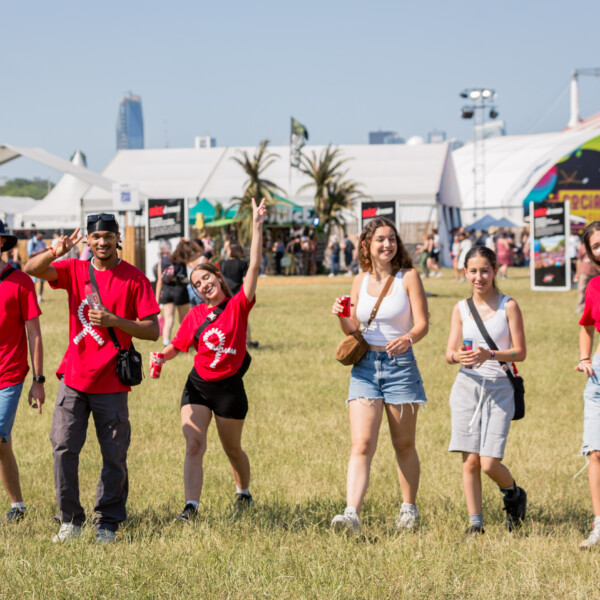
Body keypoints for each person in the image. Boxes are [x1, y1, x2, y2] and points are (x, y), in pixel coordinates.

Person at [24, 213, 160, 544]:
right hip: (74, 378)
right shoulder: (74, 271)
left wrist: (115, 320)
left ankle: (107, 521)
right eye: (96, 237)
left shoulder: (134, 278)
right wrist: (56, 251)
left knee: (114, 455)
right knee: (63, 447)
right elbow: (31, 269)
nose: (102, 242)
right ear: (88, 240)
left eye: (108, 236)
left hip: (112, 382)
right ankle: (70, 520)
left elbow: (153, 330)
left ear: (117, 239)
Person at [158, 198, 266, 522]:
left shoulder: (239, 305)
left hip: (230, 389)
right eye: (197, 284)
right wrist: (161, 357)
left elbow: (254, 268)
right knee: (194, 443)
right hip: (199, 387)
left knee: (233, 450)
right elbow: (177, 346)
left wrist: (258, 227)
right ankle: (191, 507)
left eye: (207, 279)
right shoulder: (194, 315)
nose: (204, 285)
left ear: (218, 278)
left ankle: (243, 493)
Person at [330, 217, 429, 535]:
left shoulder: (409, 277)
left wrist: (409, 338)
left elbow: (423, 323)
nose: (387, 245)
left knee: (404, 444)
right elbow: (353, 329)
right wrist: (342, 316)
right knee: (361, 444)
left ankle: (408, 510)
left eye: (392, 239)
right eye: (380, 240)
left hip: (400, 366)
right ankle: (351, 515)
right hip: (365, 369)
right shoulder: (359, 281)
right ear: (366, 246)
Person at [445, 246, 527, 535]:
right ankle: (475, 524)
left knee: (489, 462)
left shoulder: (509, 306)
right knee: (469, 460)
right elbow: (449, 353)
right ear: (465, 272)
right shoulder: (461, 308)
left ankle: (514, 493)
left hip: (499, 387)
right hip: (466, 386)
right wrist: (460, 356)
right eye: (473, 271)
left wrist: (489, 355)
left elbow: (520, 353)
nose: (478, 277)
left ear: (494, 271)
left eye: (484, 271)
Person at [0, 220, 45, 523]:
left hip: (9, 375)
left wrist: (38, 380)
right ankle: (17, 506)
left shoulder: (21, 282)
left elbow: (35, 334)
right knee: (3, 443)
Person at [574, 221, 600, 549]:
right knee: (596, 452)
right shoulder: (595, 286)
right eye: (596, 245)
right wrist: (585, 357)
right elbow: (587, 325)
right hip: (598, 379)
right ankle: (599, 525)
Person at [221, 241, 259, 348]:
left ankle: (227, 342)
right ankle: (248, 342)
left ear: (231, 251)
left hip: (226, 294)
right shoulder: (242, 264)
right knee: (243, 318)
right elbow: (246, 280)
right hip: (238, 293)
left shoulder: (223, 263)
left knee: (226, 319)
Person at [156, 240, 192, 346]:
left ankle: (166, 344)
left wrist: (157, 300)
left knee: (169, 319)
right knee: (183, 320)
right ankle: (183, 343)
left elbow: (159, 281)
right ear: (170, 247)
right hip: (180, 291)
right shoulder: (180, 259)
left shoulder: (161, 261)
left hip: (167, 292)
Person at [574, 239, 599, 314]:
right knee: (582, 289)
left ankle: (596, 307)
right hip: (584, 272)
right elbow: (578, 260)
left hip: (596, 273)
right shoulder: (583, 247)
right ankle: (580, 307)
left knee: (597, 292)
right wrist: (578, 272)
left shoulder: (597, 246)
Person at [26, 231, 47, 303]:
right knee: (33, 282)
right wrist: (40, 251)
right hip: (34, 264)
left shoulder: (43, 242)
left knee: (42, 281)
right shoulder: (31, 242)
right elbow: (30, 254)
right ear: (37, 234)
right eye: (41, 235)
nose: (42, 237)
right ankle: (33, 297)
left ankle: (40, 297)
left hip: (42, 264)